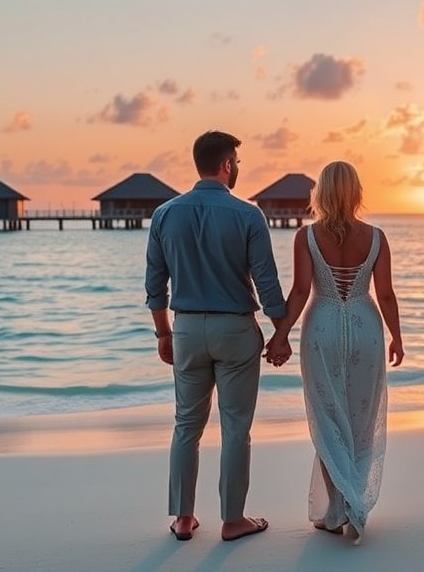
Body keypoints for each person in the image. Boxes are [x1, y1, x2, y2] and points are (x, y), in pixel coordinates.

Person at [145, 130, 289, 542]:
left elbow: (155, 285)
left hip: (187, 327)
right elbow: (267, 281)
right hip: (235, 328)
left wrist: (163, 334)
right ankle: (232, 519)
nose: (238, 169)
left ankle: (184, 518)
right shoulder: (248, 215)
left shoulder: (165, 214)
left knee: (186, 424)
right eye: (237, 163)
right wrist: (280, 332)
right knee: (235, 426)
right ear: (227, 165)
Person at [265, 161, 403, 545]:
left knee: (327, 418)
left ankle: (339, 510)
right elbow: (387, 295)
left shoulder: (307, 237)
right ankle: (351, 503)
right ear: (356, 192)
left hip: (322, 324)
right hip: (365, 324)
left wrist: (280, 335)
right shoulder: (376, 237)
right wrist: (397, 336)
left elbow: (298, 293)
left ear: (321, 193)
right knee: (360, 418)